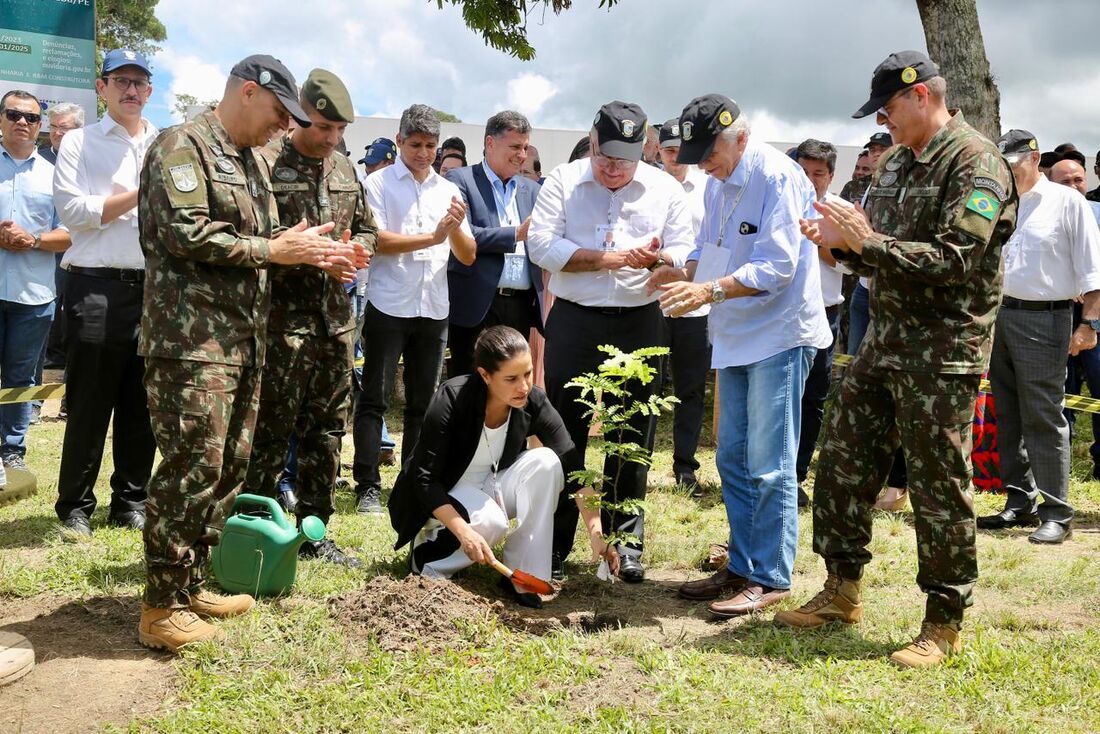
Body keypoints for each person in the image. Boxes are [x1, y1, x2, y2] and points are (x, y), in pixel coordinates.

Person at [780, 51, 1016, 669]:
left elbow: (958, 259)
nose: (883, 121)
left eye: (887, 109)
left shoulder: (977, 162)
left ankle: (943, 620)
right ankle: (841, 589)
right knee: (840, 464)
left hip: (943, 354)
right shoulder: (893, 166)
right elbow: (875, 256)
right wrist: (841, 250)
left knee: (939, 486)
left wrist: (868, 242)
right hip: (883, 343)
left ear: (921, 96)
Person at [137, 54, 363, 652]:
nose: (284, 126)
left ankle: (191, 583)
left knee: (228, 468)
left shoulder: (247, 163)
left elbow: (270, 241)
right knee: (191, 467)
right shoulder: (181, 145)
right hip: (192, 344)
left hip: (243, 342)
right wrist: (276, 249)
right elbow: (185, 231)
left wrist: (307, 249)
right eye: (278, 112)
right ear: (246, 92)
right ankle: (161, 605)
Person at [658, 95, 831, 616]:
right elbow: (711, 250)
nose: (701, 163)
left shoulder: (779, 177)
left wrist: (706, 292)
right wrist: (681, 271)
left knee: (769, 461)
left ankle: (771, 575)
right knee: (731, 455)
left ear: (740, 136)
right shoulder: (716, 182)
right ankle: (742, 563)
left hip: (779, 333)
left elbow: (777, 266)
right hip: (734, 334)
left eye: (707, 151)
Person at [527, 100, 695, 583]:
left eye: (625, 160)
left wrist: (662, 264)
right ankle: (556, 545)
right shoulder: (563, 180)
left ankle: (627, 542)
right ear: (592, 141)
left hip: (639, 321)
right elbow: (541, 244)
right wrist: (607, 259)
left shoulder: (665, 188)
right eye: (605, 158)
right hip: (576, 319)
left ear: (643, 149)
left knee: (633, 433)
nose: (614, 169)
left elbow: (684, 250)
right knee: (564, 431)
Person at [246, 69, 378, 566]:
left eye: (340, 130)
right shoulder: (265, 162)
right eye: (324, 127)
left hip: (335, 324)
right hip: (282, 324)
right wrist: (310, 253)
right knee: (270, 431)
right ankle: (255, 527)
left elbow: (368, 228)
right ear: (302, 114)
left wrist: (356, 250)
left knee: (326, 432)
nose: (332, 139)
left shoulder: (345, 168)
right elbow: (256, 234)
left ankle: (314, 533)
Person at [388, 326, 621, 607]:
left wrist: (597, 534)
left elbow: (575, 470)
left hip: (493, 483)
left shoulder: (533, 400)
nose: (523, 386)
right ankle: (430, 560)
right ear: (485, 375)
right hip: (443, 490)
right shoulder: (452, 398)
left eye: (528, 374)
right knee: (491, 523)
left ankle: (522, 576)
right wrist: (464, 531)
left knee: (547, 462)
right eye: (511, 378)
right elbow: (423, 479)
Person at [51, 50, 159, 536]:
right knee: (90, 400)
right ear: (102, 87)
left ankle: (131, 501)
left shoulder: (162, 142)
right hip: (94, 286)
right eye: (121, 81)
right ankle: (75, 505)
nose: (130, 90)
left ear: (150, 90)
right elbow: (73, 213)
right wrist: (140, 191)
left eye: (139, 82)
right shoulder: (79, 141)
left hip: (153, 290)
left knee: (143, 402)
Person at [352, 104, 476, 515]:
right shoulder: (380, 183)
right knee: (375, 398)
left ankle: (411, 481)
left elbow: (469, 254)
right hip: (389, 303)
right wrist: (432, 237)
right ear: (400, 141)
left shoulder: (448, 189)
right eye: (416, 144)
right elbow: (379, 240)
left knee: (423, 403)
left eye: (430, 146)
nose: (423, 153)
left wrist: (454, 229)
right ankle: (367, 483)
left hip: (433, 307)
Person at [977, 131, 1100, 544]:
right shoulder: (1001, 202)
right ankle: (1019, 500)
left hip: (1046, 318)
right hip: (1002, 315)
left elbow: (1093, 270)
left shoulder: (1068, 202)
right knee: (1008, 411)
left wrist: (1088, 325)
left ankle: (1056, 511)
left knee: (1044, 415)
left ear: (1034, 159)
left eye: (1013, 163)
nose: (1008, 171)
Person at [0, 90, 70, 473]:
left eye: (30, 117)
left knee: (21, 376)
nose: (21, 122)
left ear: (40, 127)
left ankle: (12, 452)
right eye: (13, 114)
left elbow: (73, 233)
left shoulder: (56, 176)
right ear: (1, 119)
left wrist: (33, 239)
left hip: (34, 294)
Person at [445, 110, 543, 377]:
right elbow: (465, 233)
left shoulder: (532, 190)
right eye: (514, 146)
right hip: (477, 304)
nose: (521, 155)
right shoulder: (460, 180)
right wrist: (515, 234)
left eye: (524, 147)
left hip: (521, 306)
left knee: (512, 383)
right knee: (469, 384)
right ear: (490, 143)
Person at [654, 117, 710, 495]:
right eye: (669, 150)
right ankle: (635, 460)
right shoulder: (643, 186)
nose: (676, 157)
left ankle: (685, 465)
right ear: (658, 150)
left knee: (691, 389)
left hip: (696, 304)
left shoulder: (709, 187)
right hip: (652, 301)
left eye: (682, 150)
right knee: (646, 387)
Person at [793, 139, 848, 508]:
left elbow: (848, 264)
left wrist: (817, 242)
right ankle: (773, 473)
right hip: (786, 312)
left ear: (831, 176)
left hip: (825, 312)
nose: (810, 180)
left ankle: (797, 475)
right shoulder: (777, 199)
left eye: (818, 174)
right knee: (783, 398)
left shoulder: (842, 211)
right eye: (803, 171)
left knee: (813, 399)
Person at [37, 103, 85, 378]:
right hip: (49, 249)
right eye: (53, 127)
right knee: (48, 309)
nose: (56, 133)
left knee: (78, 312)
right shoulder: (39, 159)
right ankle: (48, 361)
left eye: (63, 128)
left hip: (85, 249)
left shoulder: (92, 160)